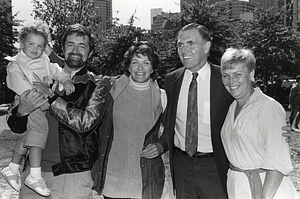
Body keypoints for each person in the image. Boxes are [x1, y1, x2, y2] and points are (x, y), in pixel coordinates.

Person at [6, 23, 109, 199]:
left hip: (72, 177)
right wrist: (21, 111)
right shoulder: (41, 70)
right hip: (34, 173)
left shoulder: (96, 85)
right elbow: (15, 126)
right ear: (62, 48)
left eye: (82, 46)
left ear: (90, 53)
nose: (75, 50)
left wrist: (51, 98)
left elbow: (84, 123)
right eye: (70, 44)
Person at [151, 23, 234, 198]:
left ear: (206, 46)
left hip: (215, 166)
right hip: (182, 166)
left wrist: (274, 127)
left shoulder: (225, 78)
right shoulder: (172, 80)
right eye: (180, 44)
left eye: (190, 43)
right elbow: (168, 124)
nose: (183, 50)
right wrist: (160, 145)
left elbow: (248, 106)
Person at [91, 41, 173, 199]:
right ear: (128, 67)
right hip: (112, 180)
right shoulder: (111, 90)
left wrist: (161, 145)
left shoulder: (161, 97)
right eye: (135, 62)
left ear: (153, 68)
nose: (140, 68)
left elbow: (170, 132)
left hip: (144, 181)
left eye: (146, 63)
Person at [1, 22, 74, 196]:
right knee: (41, 129)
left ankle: (12, 167)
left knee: (30, 134)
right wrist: (39, 101)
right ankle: (34, 175)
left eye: (40, 46)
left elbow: (57, 70)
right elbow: (20, 85)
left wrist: (66, 80)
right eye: (31, 44)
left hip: (39, 101)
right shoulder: (16, 64)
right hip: (27, 99)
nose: (35, 49)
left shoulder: (44, 61)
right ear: (22, 43)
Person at [220, 48, 298, 199]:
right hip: (238, 187)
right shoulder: (232, 107)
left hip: (266, 189)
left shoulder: (268, 106)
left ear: (251, 74)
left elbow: (277, 161)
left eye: (237, 74)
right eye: (225, 75)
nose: (231, 81)